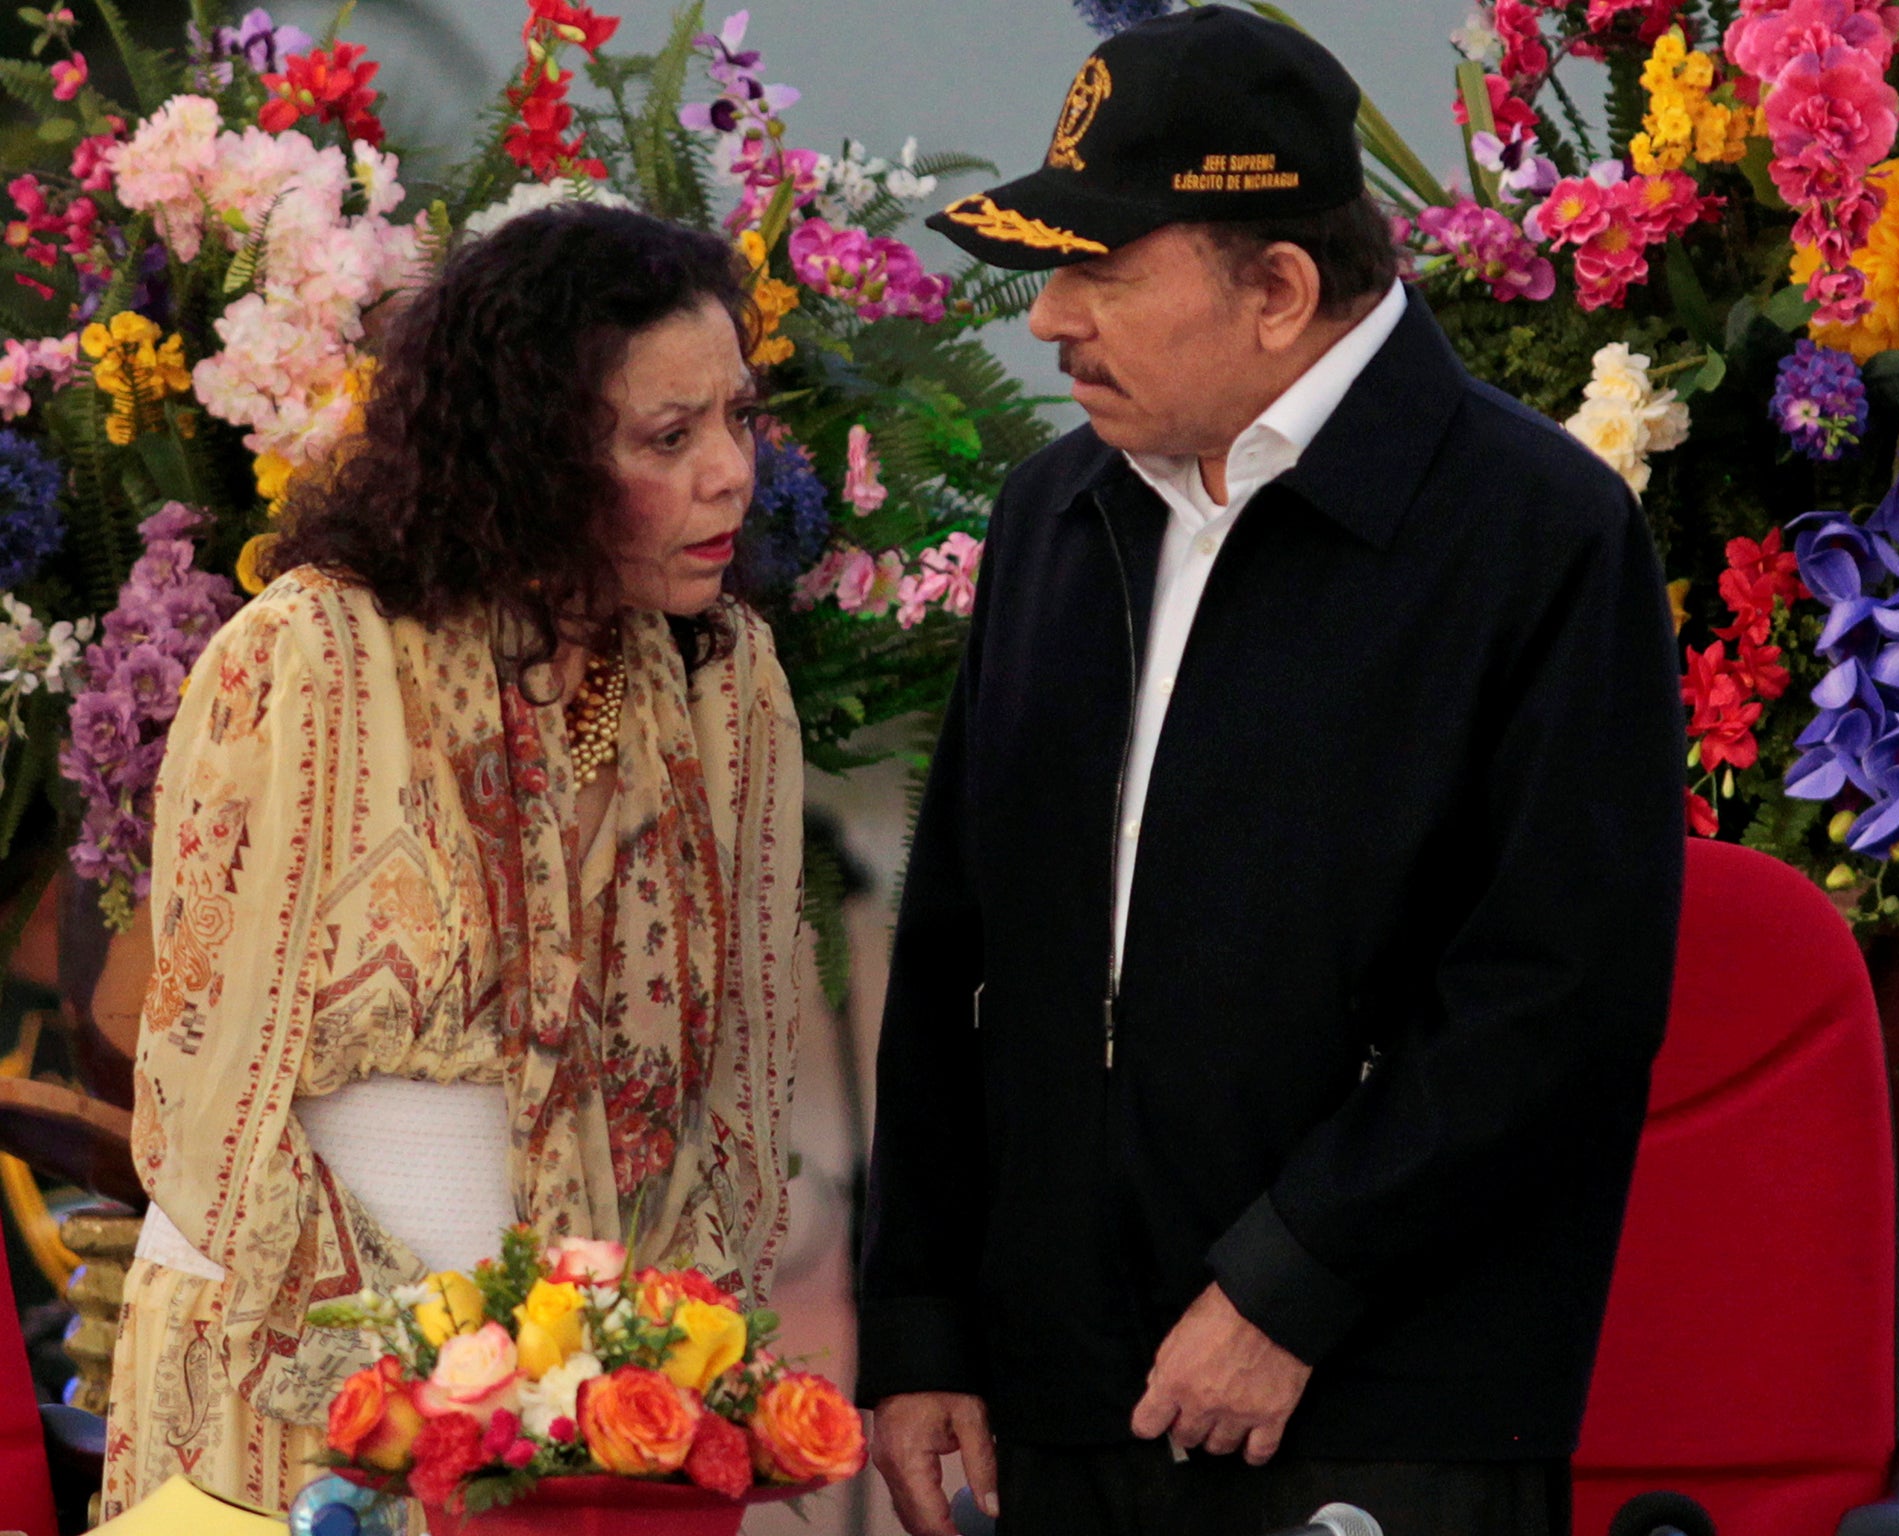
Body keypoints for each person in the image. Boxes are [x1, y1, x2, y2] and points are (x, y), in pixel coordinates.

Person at [856, 11, 1685, 1536]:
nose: (1048, 321)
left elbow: (1560, 993)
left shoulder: (1536, 534)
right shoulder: (1055, 515)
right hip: (1063, 1405)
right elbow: (963, 941)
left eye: (1101, 271)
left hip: (1381, 1407)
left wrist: (1296, 1286)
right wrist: (923, 1324)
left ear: (1281, 291)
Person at [101, 204, 805, 1515]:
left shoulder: (730, 688)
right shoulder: (309, 663)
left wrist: (645, 1385)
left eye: (740, 418)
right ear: (530, 454)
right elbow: (208, 1115)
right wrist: (447, 1391)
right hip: (292, 1429)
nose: (731, 474)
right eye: (670, 436)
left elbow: (738, 1115)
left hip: (591, 1445)